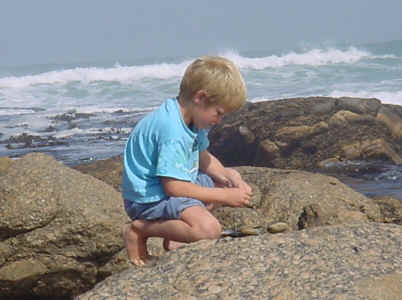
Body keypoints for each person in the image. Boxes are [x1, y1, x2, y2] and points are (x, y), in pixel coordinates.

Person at [122, 56, 252, 266]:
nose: (219, 120)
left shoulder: (190, 118)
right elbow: (173, 187)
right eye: (218, 113)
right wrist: (224, 196)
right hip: (148, 198)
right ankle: (140, 229)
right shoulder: (172, 131)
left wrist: (230, 179)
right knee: (209, 230)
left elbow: (203, 158)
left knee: (225, 180)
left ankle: (176, 237)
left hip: (170, 187)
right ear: (200, 97)